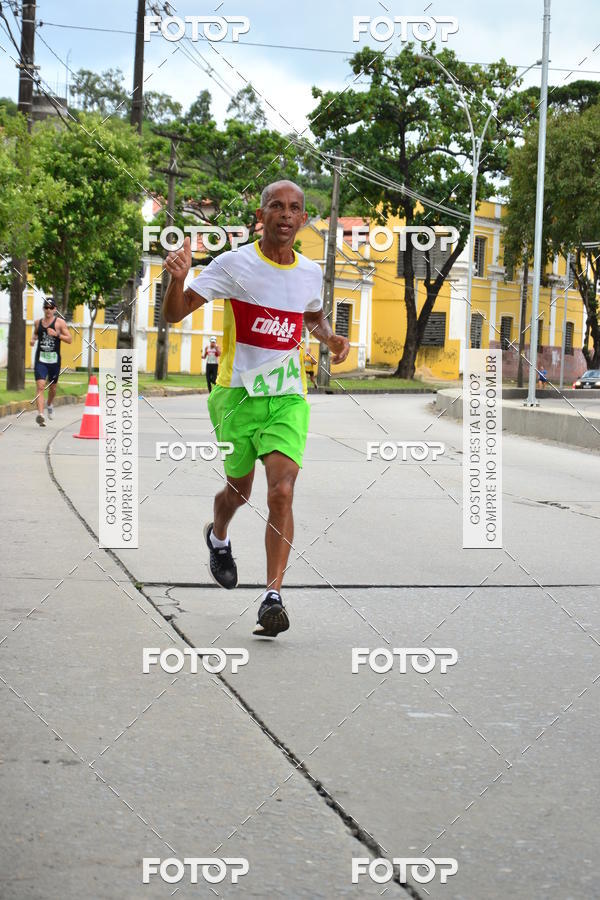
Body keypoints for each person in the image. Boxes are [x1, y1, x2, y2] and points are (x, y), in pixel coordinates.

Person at [162, 180, 349, 637]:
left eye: (295, 209)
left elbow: (310, 313)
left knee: (281, 491)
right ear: (261, 215)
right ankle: (218, 535)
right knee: (239, 491)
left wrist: (329, 338)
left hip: (287, 397)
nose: (285, 215)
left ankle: (272, 597)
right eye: (276, 207)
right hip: (236, 396)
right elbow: (175, 313)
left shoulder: (308, 272)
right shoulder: (234, 264)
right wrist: (177, 279)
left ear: (303, 220)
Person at [30, 298, 73, 426]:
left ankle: (49, 404)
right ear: (44, 309)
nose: (48, 310)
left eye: (51, 307)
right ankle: (40, 415)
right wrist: (33, 340)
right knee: (40, 386)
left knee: (53, 388)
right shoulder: (37, 323)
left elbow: (69, 339)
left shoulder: (60, 323)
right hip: (41, 360)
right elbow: (35, 334)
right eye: (46, 307)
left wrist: (56, 335)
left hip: (54, 361)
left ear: (55, 309)